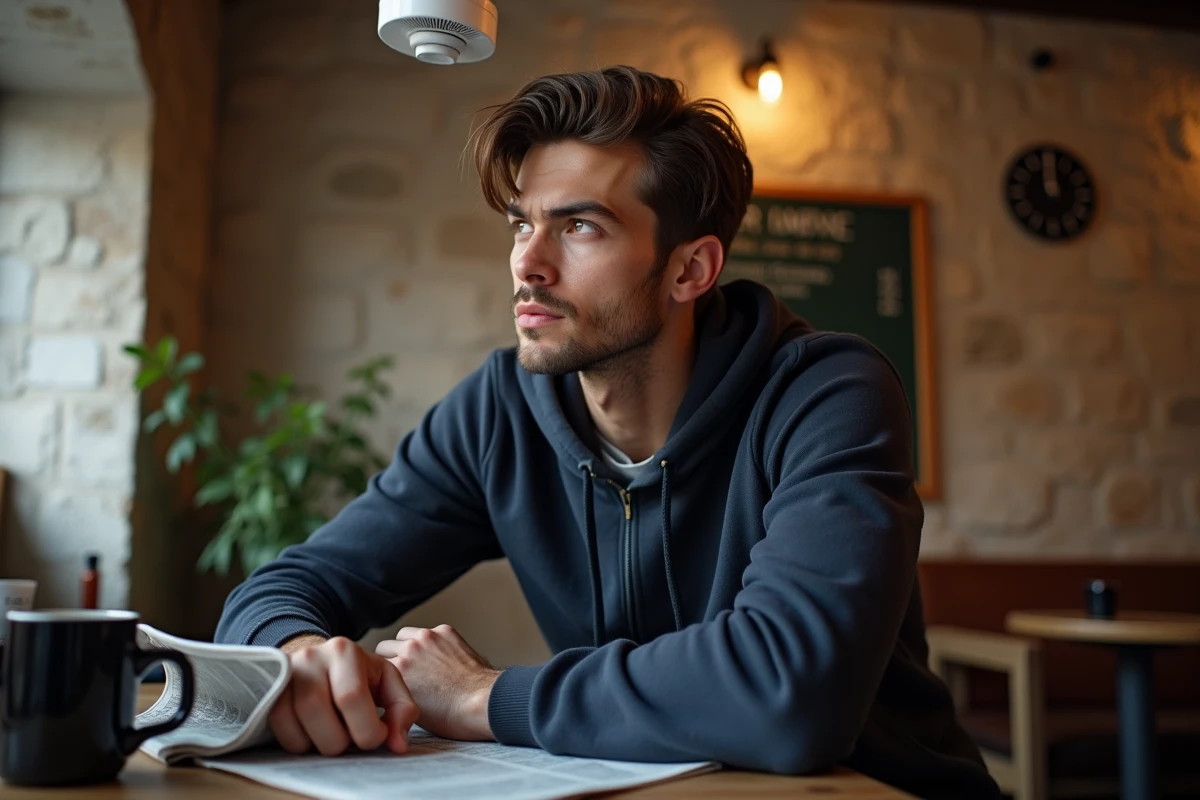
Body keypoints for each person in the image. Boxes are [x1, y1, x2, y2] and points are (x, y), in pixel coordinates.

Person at [215, 66, 999, 799]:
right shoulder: (501, 411)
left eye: (580, 227)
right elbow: (282, 589)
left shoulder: (827, 394)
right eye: (521, 222)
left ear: (691, 270)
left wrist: (484, 696)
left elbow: (790, 692)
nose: (529, 263)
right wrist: (298, 658)